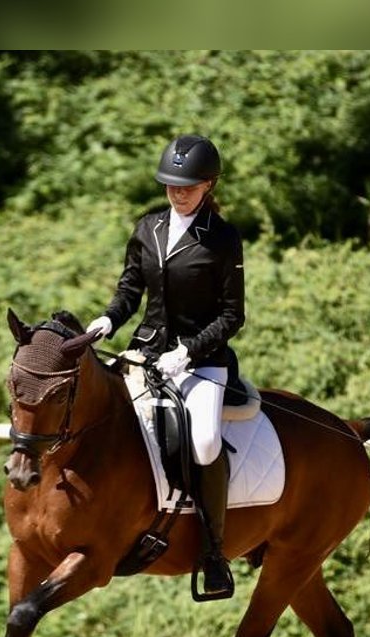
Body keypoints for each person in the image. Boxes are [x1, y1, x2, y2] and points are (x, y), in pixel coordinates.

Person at [86, 134, 245, 601]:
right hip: (148, 351)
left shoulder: (222, 238)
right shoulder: (148, 228)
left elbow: (233, 316)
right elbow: (129, 291)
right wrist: (107, 320)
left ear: (209, 184)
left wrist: (190, 352)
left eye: (189, 186)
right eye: (171, 184)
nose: (178, 192)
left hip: (203, 362)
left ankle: (213, 552)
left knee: (205, 439)